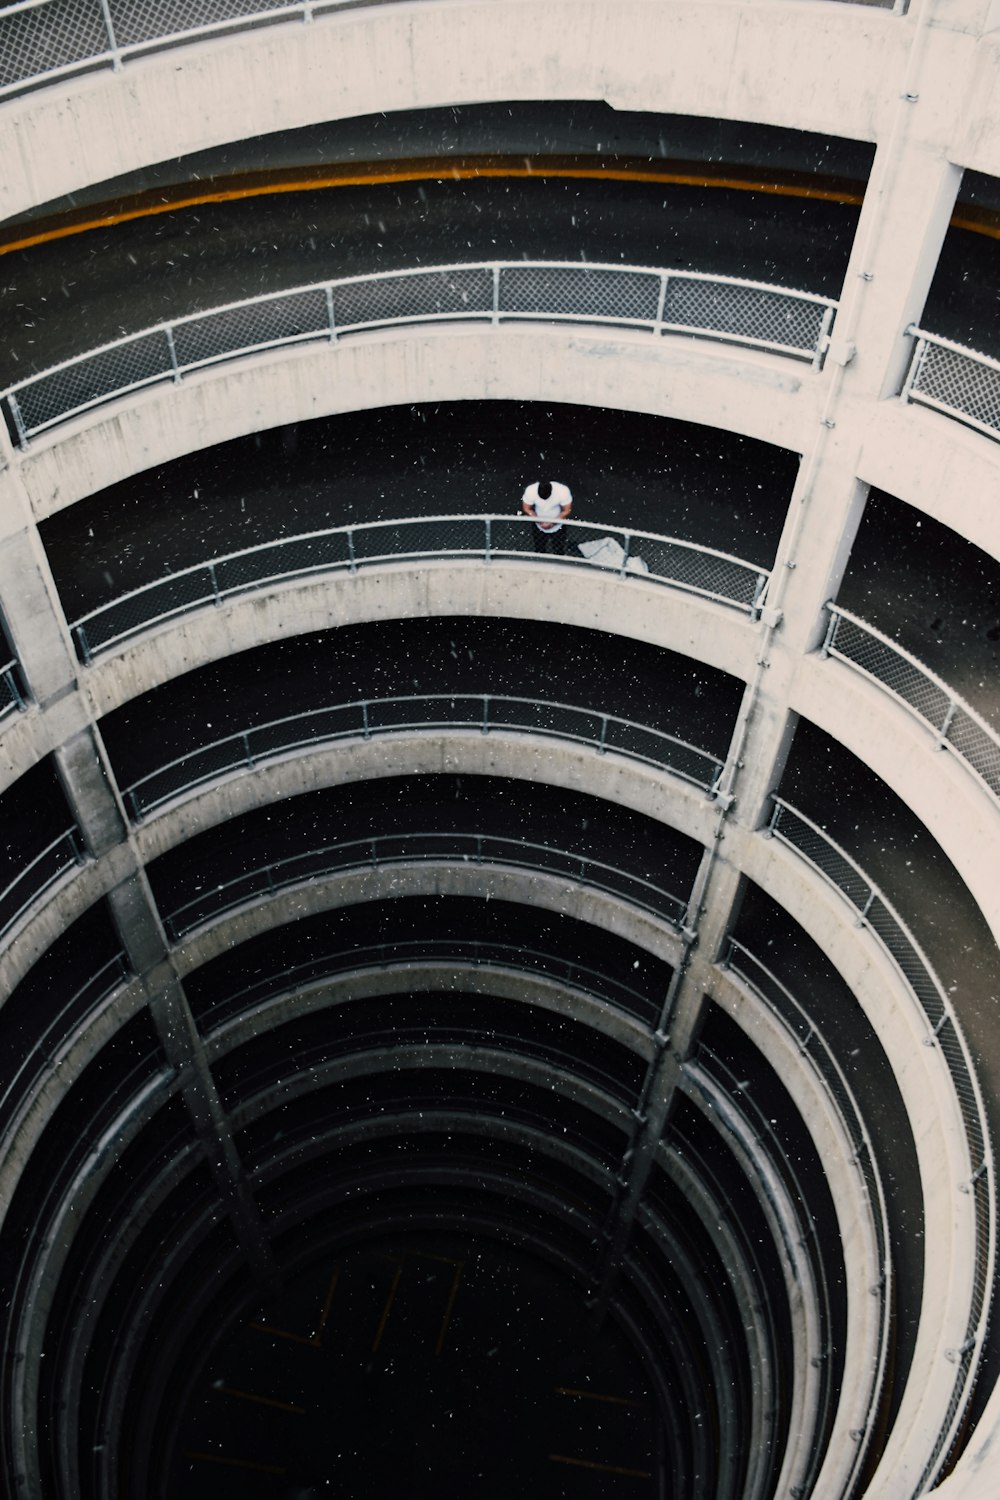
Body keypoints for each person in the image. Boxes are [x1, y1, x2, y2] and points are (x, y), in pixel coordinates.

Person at [521, 478, 573, 555]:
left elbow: (566, 510)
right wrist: (538, 521)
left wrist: (553, 523)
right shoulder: (530, 491)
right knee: (539, 548)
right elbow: (526, 508)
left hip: (558, 527)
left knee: (559, 549)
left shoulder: (562, 491)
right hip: (538, 526)